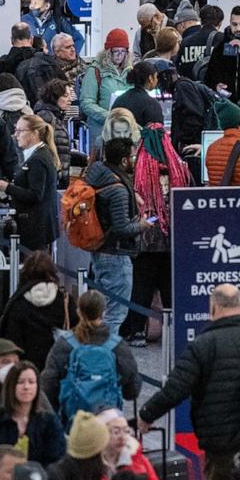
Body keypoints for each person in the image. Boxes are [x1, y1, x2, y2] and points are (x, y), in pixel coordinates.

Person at [137, 284, 240, 480]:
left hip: (221, 445)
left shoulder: (202, 345)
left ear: (213, 307)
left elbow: (176, 389)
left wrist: (146, 415)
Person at [41, 290, 141, 423]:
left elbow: (48, 385)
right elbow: (132, 391)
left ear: (79, 311)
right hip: (108, 426)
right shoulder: (116, 345)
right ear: (103, 313)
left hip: (74, 425)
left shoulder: (65, 344)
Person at [0, 360, 67, 478]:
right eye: (20, 382)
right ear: (10, 386)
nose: (26, 387)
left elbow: (56, 462)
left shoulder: (49, 422)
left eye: (31, 382)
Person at [86, 137, 147, 336]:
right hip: (116, 254)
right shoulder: (118, 189)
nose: (135, 160)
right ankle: (103, 354)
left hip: (100, 251)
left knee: (102, 310)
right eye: (133, 156)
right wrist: (143, 225)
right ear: (123, 161)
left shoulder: (98, 176)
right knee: (115, 313)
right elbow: (121, 227)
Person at [0, 113, 62, 252]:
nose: (15, 135)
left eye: (20, 131)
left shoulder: (38, 159)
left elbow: (35, 195)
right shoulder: (37, 156)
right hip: (35, 225)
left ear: (35, 133)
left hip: (36, 227)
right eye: (15, 130)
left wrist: (8, 188)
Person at [0, 251, 77, 371]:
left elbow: (11, 339)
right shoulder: (64, 299)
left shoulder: (18, 302)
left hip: (27, 369)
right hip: (58, 365)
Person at [96, 409, 169, 480]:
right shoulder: (89, 465)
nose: (122, 437)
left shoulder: (138, 459)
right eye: (116, 432)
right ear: (101, 434)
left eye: (126, 431)